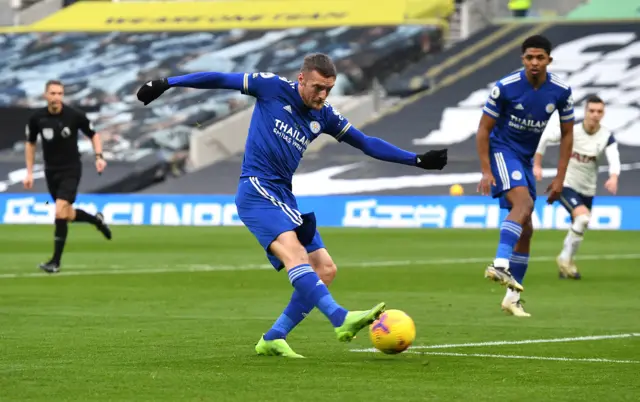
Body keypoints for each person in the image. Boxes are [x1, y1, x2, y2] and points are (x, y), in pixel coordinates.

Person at [136, 53, 448, 357]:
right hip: (256, 188)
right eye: (317, 88)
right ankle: (340, 318)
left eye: (329, 88)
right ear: (301, 79)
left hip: (283, 195)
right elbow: (220, 78)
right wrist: (167, 82)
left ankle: (274, 337)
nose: (323, 95)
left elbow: (366, 142)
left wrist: (417, 160)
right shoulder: (271, 87)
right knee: (295, 254)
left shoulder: (324, 116)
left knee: (325, 269)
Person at [476, 35, 574, 317]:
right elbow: (483, 130)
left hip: (525, 159)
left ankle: (511, 298)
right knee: (524, 205)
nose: (534, 62)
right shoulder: (505, 88)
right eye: (529, 57)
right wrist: (486, 170)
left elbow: (568, 134)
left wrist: (559, 178)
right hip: (502, 151)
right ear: (523, 59)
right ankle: (498, 263)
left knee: (527, 230)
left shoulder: (560, 91)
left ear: (548, 60)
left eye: (540, 58)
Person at [24, 80, 113, 274]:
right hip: (51, 171)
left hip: (71, 169)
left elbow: (94, 135)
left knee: (59, 211)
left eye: (60, 93)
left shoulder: (74, 116)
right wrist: (29, 172)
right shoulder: (37, 118)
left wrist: (99, 156)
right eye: (53, 93)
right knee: (66, 214)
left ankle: (55, 262)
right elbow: (30, 144)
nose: (56, 97)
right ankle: (96, 220)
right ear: (45, 95)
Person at [533, 95, 620, 279]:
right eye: (592, 111)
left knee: (579, 225)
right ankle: (564, 259)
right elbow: (545, 137)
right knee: (582, 219)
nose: (595, 115)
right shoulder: (571, 131)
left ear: (603, 114)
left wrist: (613, 177)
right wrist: (537, 164)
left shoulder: (606, 136)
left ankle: (567, 265)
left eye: (599, 111)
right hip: (566, 184)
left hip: (588, 189)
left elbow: (614, 159)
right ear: (585, 112)